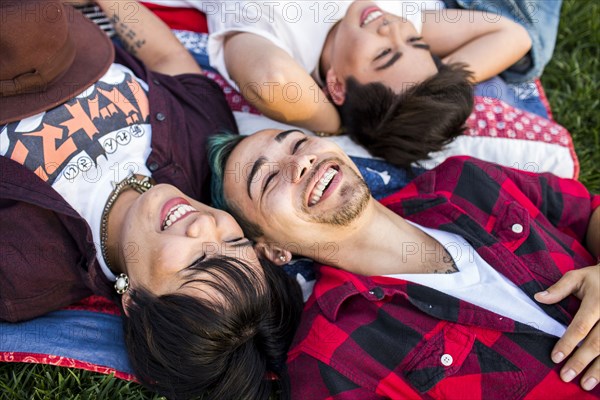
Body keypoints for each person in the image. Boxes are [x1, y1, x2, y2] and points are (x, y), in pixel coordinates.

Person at [0, 2, 302, 400]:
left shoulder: (19, 272)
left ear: (134, 301)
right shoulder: (201, 143)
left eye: (196, 262)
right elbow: (166, 56)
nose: (204, 225)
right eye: (233, 242)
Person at [208, 129, 600, 397]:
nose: (301, 163)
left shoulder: (465, 178)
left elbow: (588, 212)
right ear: (274, 251)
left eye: (296, 143)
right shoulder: (330, 362)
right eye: (269, 179)